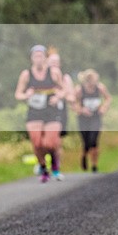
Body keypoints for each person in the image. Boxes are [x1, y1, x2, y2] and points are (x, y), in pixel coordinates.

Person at [15, 45, 65, 183]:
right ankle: (43, 168)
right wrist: (26, 95)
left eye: (40, 56)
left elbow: (63, 90)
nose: (38, 59)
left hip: (51, 111)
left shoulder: (54, 73)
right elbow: (18, 94)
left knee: (50, 144)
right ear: (31, 58)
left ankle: (54, 163)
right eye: (35, 56)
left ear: (45, 58)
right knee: (37, 143)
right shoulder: (26, 74)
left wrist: (57, 97)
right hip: (35, 112)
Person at [74, 69, 111, 172]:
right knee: (86, 141)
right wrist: (81, 110)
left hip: (95, 117)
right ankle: (84, 155)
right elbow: (74, 102)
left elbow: (108, 98)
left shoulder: (100, 88)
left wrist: (103, 108)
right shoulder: (80, 90)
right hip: (83, 119)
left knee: (94, 140)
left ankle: (94, 165)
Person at [46, 48, 74, 180]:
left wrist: (60, 96)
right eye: (52, 62)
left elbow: (71, 96)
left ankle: (56, 168)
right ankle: (44, 163)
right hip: (44, 112)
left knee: (56, 141)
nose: (54, 64)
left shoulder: (65, 78)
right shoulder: (41, 76)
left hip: (60, 112)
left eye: (57, 62)